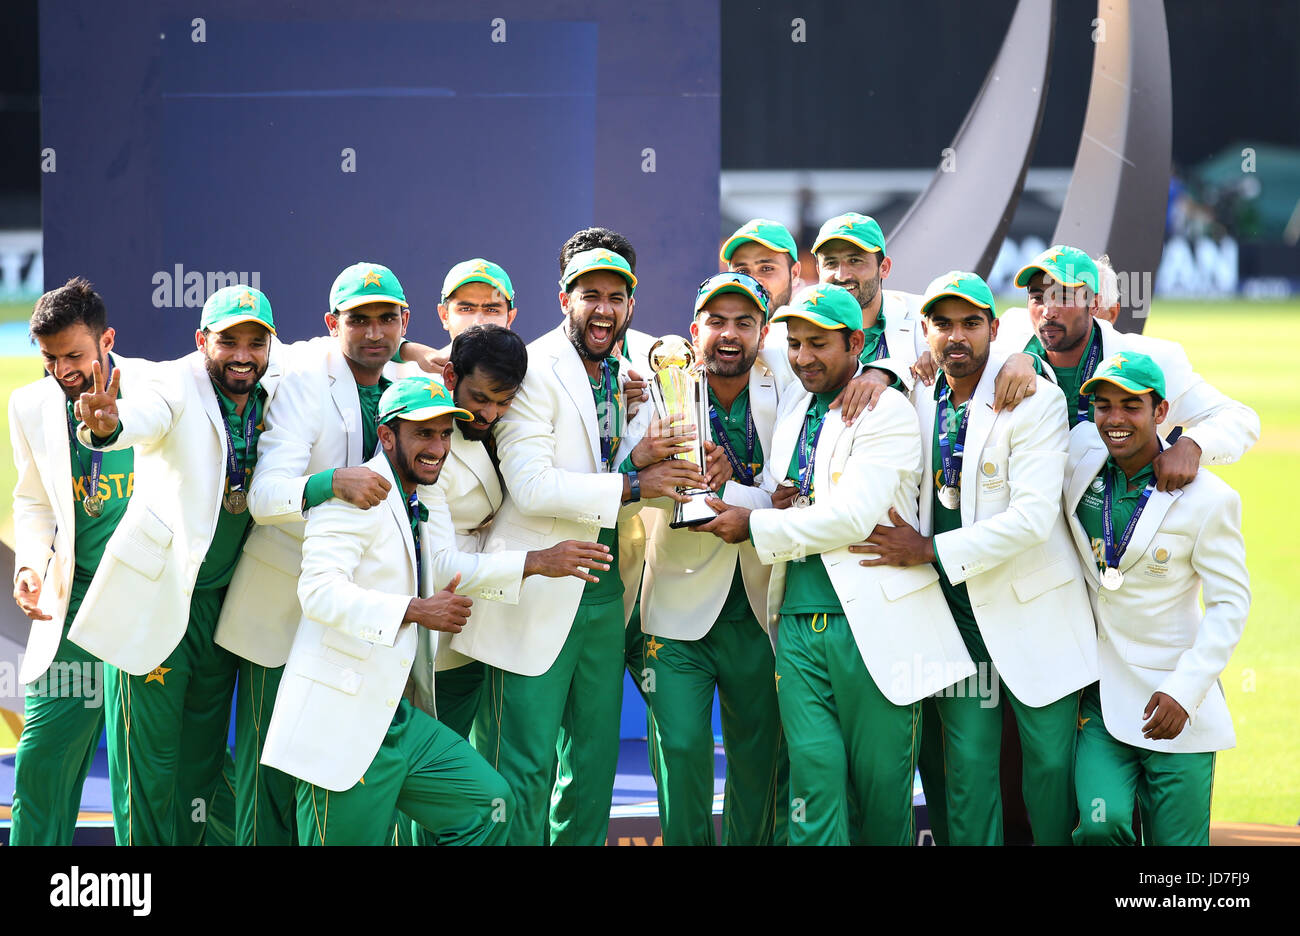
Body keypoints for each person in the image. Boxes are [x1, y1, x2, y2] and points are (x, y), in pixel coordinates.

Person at [695, 283, 974, 846]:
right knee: (812, 791)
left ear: (856, 343)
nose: (801, 358)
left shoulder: (887, 410)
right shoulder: (797, 411)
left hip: (878, 626)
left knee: (881, 803)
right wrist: (722, 493)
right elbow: (784, 497)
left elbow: (851, 519)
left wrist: (751, 525)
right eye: (794, 343)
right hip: (798, 624)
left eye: (817, 344)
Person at [454, 248, 709, 845]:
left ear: (630, 306)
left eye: (616, 296)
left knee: (591, 770)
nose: (603, 308)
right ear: (564, 299)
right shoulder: (531, 366)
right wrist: (635, 480)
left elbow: (597, 470)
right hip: (534, 588)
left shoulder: (633, 370)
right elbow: (533, 486)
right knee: (520, 767)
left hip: (603, 588)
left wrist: (640, 460)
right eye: (589, 294)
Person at [851, 271, 1096, 845]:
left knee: (1050, 775)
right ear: (925, 331)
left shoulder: (1034, 396)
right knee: (968, 776)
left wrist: (929, 549)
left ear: (993, 329)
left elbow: (1034, 519)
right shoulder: (913, 396)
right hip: (954, 620)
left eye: (970, 323)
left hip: (1032, 610)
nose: (956, 336)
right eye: (943, 324)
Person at [214, 262, 430, 845]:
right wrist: (329, 483)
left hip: (366, 614)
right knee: (270, 776)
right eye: (359, 320)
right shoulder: (305, 378)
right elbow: (261, 497)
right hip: (284, 606)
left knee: (354, 771)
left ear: (405, 322)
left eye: (389, 320)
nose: (375, 333)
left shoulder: (412, 386)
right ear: (333, 323)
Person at [260, 377, 520, 845]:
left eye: (444, 433)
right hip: (341, 723)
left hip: (399, 718)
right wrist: (416, 611)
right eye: (423, 433)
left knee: (490, 806)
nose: (438, 446)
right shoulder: (351, 497)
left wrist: (536, 564)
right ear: (386, 436)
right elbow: (318, 593)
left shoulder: (421, 495)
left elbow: (442, 564)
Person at [71, 285, 282, 845]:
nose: (242, 354)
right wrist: (107, 425)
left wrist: (412, 353)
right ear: (200, 341)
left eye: (255, 342)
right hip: (159, 599)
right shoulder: (176, 383)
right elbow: (140, 416)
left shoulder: (279, 386)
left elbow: (340, 350)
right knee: (147, 773)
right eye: (227, 341)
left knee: (201, 769)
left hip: (223, 609)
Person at [1064, 353, 1249, 845]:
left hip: (1176, 702)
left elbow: (1230, 605)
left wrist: (1186, 690)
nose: (1116, 419)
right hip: (1100, 700)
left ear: (1161, 410)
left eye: (1131, 405)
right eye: (1104, 407)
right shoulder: (1079, 465)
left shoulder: (1210, 499)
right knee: (1101, 827)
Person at [634, 272, 785, 845]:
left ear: (763, 333)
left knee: (758, 762)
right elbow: (633, 487)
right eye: (716, 322)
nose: (729, 335)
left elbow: (793, 493)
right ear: (694, 330)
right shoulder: (652, 390)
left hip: (757, 604)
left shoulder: (788, 391)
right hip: (675, 609)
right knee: (681, 755)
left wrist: (739, 488)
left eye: (744, 323)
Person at [7, 278, 139, 845]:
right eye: (50, 359)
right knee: (41, 767)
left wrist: (405, 351)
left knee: (168, 771)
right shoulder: (29, 404)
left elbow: (268, 356)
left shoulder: (158, 390)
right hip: (73, 607)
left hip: (143, 608)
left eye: (75, 356)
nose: (62, 371)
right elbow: (33, 500)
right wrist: (30, 565)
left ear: (106, 340)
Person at [993, 244, 1260, 490]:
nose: (1049, 311)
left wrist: (1193, 445)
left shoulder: (1150, 359)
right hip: (1026, 521)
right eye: (1038, 297)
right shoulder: (1011, 334)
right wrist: (1019, 358)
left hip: (1111, 529)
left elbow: (1239, 418)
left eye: (1063, 296)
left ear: (1095, 304)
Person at [419, 323, 530, 744]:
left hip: (491, 622)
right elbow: (438, 566)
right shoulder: (424, 437)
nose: (488, 413)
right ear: (450, 377)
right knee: (429, 764)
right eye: (479, 398)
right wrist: (538, 563)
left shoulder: (509, 419)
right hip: (440, 632)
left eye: (503, 402)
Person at [432, 258, 519, 357]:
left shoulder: (532, 371)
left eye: (492, 310)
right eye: (466, 309)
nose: (478, 322)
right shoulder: (414, 372)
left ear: (510, 319)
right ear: (444, 316)